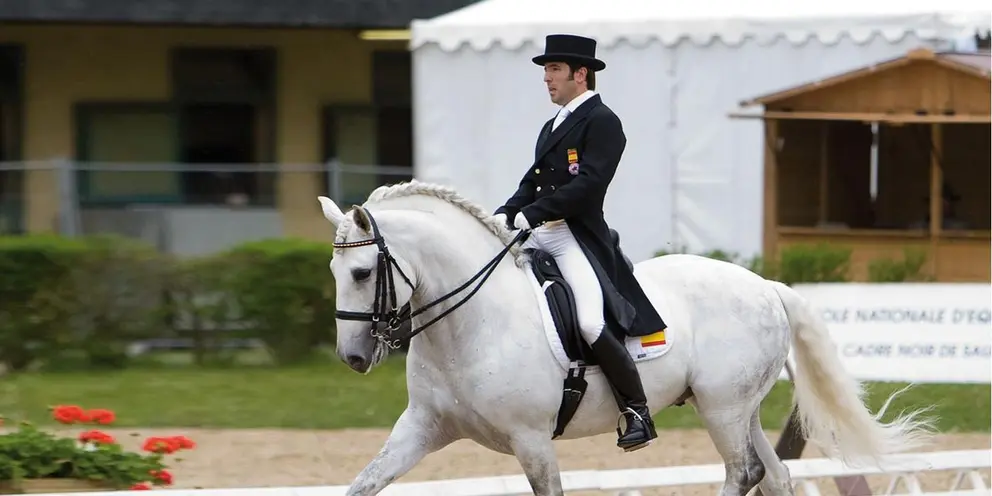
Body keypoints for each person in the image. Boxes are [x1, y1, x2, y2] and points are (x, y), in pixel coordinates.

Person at [490, 33, 668, 452]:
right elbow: (532, 181)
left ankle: (637, 410)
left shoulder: (603, 121)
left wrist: (533, 213)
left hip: (574, 236)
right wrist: (505, 212)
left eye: (554, 69)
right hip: (539, 233)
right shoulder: (552, 125)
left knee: (589, 322)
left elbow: (588, 185)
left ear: (581, 74)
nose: (546, 78)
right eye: (546, 70)